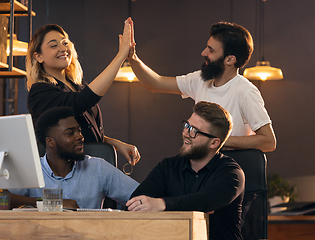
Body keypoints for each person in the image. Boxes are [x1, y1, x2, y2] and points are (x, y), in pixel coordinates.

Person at [127, 20, 276, 153]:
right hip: (200, 168)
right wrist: (132, 58)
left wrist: (216, 141)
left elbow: (269, 141)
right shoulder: (200, 79)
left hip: (228, 172)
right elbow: (155, 84)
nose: (203, 53)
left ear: (230, 59)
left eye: (211, 50)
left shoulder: (245, 91)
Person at [26, 18, 140, 165]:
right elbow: (81, 102)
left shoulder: (79, 86)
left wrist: (116, 144)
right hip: (67, 171)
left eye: (65, 42)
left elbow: (87, 131)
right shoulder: (40, 93)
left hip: (94, 165)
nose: (62, 48)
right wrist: (120, 57)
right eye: (53, 45)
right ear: (38, 56)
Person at [126, 101, 245, 240]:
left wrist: (161, 204)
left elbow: (203, 201)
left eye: (195, 131)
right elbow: (136, 203)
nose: (186, 133)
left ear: (214, 143)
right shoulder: (167, 167)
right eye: (187, 126)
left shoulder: (232, 174)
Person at [9, 107, 139, 209]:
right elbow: (1, 199)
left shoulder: (98, 168)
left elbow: (141, 196)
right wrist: (49, 202)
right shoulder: (30, 170)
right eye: (70, 133)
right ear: (50, 142)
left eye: (79, 131)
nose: (80, 136)